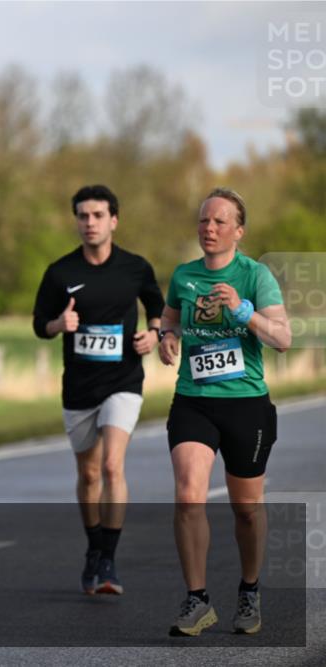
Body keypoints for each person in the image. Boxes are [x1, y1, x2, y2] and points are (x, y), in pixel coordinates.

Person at [159, 188, 290, 637]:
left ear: (239, 231)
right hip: (193, 400)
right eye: (203, 220)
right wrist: (167, 337)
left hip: (246, 404)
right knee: (188, 495)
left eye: (219, 222)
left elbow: (282, 338)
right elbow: (169, 318)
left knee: (246, 509)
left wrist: (242, 310)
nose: (209, 228)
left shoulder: (256, 276)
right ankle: (197, 600)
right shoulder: (184, 275)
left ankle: (249, 588)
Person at [33, 184, 164, 595]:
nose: (90, 223)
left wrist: (154, 334)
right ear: (76, 221)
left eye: (97, 215)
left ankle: (109, 558)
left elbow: (157, 307)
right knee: (88, 473)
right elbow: (40, 324)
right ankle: (94, 547)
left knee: (111, 466)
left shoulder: (135, 267)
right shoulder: (60, 272)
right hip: (79, 386)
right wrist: (59, 325)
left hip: (123, 381)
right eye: (83, 216)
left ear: (114, 220)